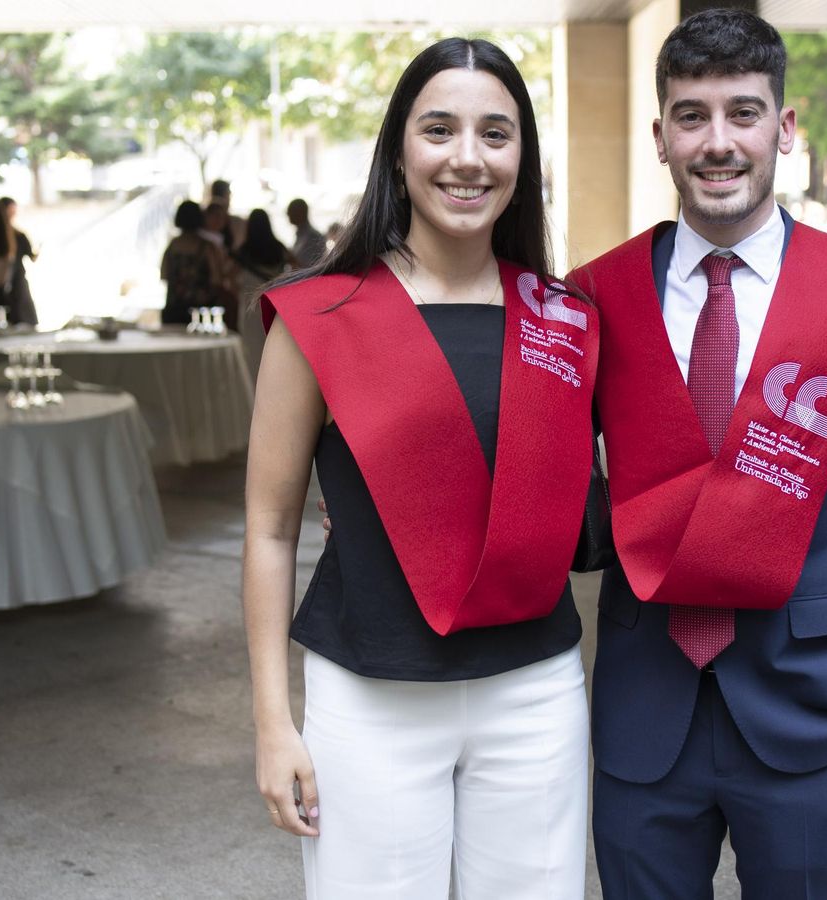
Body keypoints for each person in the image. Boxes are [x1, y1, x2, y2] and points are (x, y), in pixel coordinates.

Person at [571, 11, 827, 897]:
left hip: (810, 706)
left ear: (785, 128)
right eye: (691, 116)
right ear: (659, 137)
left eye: (743, 113)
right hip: (644, 703)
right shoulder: (597, 296)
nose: (718, 141)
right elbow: (559, 484)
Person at [244, 37, 598, 900]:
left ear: (523, 159)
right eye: (439, 130)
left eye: (495, 134)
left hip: (535, 691)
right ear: (398, 155)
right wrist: (271, 722)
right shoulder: (322, 313)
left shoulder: (565, 317)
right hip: (370, 696)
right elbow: (269, 528)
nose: (467, 158)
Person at [235, 208, 289, 379]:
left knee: (251, 350)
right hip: (273, 305)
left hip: (249, 307)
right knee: (273, 347)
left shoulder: (244, 251)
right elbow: (299, 267)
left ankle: (253, 387)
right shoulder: (278, 248)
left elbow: (227, 274)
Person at [159, 201, 232, 326]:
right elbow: (217, 280)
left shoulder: (173, 246)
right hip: (201, 313)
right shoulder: (207, 247)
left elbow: (164, 275)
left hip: (173, 310)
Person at [0, 197, 38, 326]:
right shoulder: (16, 235)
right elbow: (32, 257)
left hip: (9, 279)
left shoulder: (16, 235)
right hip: (10, 279)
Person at [286, 199, 327, 268]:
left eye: (290, 211)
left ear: (300, 213)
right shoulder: (301, 235)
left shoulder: (314, 237)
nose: (287, 214)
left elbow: (313, 266)